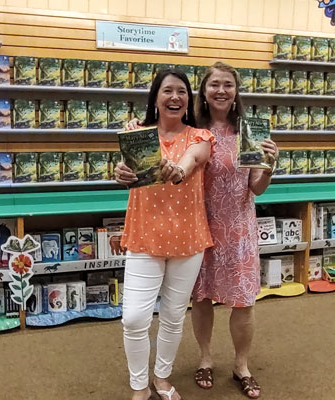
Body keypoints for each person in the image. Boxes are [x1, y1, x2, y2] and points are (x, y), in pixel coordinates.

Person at [124, 62, 278, 399]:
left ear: (236, 92)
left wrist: (270, 167)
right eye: (214, 85)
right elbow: (163, 157)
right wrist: (135, 139)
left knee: (242, 303)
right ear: (203, 92)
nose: (221, 90)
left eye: (228, 85)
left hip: (236, 230)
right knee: (200, 299)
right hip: (195, 227)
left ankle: (242, 366)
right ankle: (205, 359)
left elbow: (257, 187)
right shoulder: (192, 128)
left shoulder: (248, 132)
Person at [113, 68, 215, 400]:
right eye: (168, 91)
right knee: (134, 318)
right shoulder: (136, 132)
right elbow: (128, 172)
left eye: (182, 92)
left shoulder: (201, 137)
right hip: (145, 236)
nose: (175, 97)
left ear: (189, 100)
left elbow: (192, 159)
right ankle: (139, 385)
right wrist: (121, 172)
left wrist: (179, 170)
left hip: (188, 237)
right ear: (155, 98)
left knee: (173, 315)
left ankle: (162, 378)